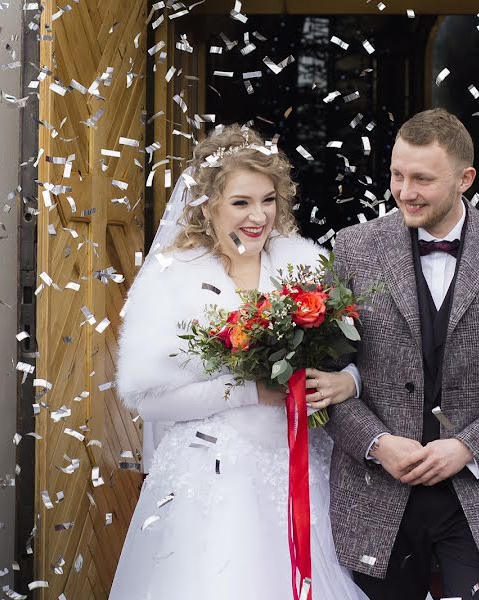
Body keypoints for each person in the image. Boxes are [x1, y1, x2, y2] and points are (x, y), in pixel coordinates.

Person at [110, 125, 368, 599]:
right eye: (241, 202)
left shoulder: (304, 264)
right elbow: (149, 401)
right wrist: (251, 390)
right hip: (211, 479)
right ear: (208, 205)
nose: (258, 216)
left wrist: (343, 381)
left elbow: (358, 356)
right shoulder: (174, 277)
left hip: (301, 471)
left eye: (268, 200)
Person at [325, 108, 479, 600]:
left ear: (464, 179)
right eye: (396, 174)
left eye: (422, 179)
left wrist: (468, 447)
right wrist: (376, 443)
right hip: (378, 490)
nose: (404, 190)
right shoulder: (352, 249)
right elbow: (325, 377)